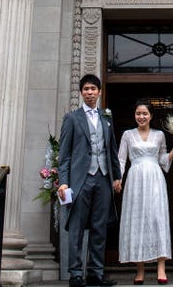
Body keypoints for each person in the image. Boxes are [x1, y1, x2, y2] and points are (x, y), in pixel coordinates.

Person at [57, 74, 122, 287]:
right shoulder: (72, 118)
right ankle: (76, 273)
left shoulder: (107, 118)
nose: (90, 92)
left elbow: (111, 150)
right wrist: (64, 181)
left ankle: (95, 272)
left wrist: (117, 177)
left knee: (99, 227)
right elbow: (64, 154)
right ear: (81, 92)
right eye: (86, 89)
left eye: (93, 88)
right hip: (80, 180)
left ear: (100, 92)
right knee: (76, 227)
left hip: (103, 178)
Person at [117, 101, 173, 285]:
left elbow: (162, 158)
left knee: (157, 218)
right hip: (135, 179)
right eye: (138, 113)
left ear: (151, 116)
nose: (141, 117)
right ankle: (140, 269)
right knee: (138, 219)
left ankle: (161, 267)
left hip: (155, 179)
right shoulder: (127, 135)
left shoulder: (159, 135)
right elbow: (121, 159)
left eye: (144, 113)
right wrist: (118, 179)